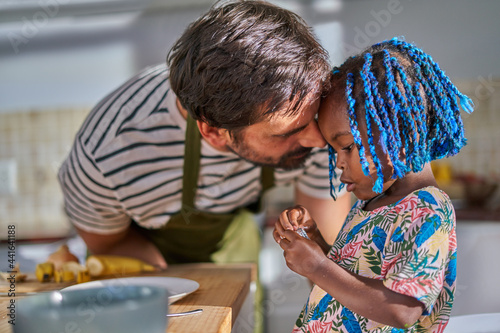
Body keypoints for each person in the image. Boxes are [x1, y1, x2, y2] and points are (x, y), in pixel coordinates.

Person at [58, 1, 350, 275]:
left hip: (238, 247)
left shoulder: (319, 120)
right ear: (213, 133)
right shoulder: (104, 157)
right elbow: (109, 244)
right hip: (145, 262)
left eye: (312, 118)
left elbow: (329, 253)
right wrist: (176, 294)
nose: (319, 141)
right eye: (289, 133)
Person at [273, 37, 474, 332]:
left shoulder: (427, 208)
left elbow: (401, 309)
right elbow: (351, 283)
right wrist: (315, 243)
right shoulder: (370, 205)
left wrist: (318, 266)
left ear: (401, 134)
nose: (339, 163)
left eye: (347, 147)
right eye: (334, 151)